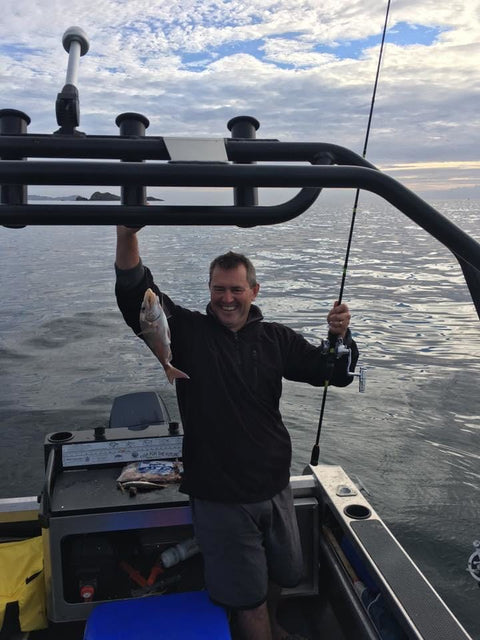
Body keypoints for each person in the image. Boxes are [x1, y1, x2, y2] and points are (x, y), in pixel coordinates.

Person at [115, 225, 359, 640]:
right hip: (221, 494)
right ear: (209, 290)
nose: (227, 298)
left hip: (274, 485)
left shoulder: (275, 338)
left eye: (236, 289)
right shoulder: (187, 332)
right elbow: (134, 290)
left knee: (284, 572)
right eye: (218, 289)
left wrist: (341, 337)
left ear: (254, 291)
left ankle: (275, 625)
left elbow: (332, 374)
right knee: (246, 598)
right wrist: (127, 234)